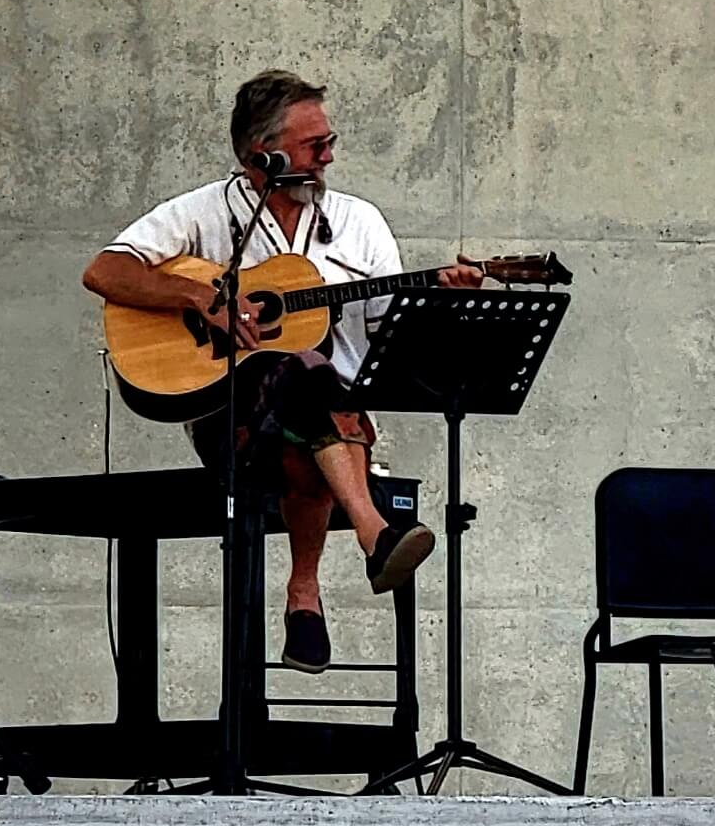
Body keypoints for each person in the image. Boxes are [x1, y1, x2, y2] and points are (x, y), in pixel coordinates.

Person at [82, 69, 483, 674]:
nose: (328, 154)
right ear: (260, 155)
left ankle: (304, 596)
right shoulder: (205, 212)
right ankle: (372, 535)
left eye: (328, 140)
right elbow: (106, 272)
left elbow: (385, 338)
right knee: (301, 370)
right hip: (235, 426)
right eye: (312, 144)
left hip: (335, 429)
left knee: (311, 392)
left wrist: (444, 302)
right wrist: (199, 300)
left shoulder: (359, 223)